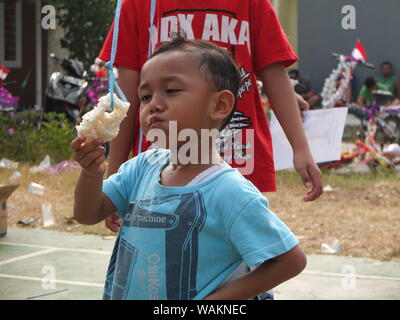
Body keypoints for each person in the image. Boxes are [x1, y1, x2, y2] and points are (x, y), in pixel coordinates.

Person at [71, 36, 307, 300]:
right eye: (145, 96)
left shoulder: (229, 192)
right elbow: (87, 213)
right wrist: (91, 173)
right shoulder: (140, 168)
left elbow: (290, 260)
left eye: (171, 90)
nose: (153, 105)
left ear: (219, 105)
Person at [98, 0, 323, 232]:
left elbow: (274, 74)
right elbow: (125, 100)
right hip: (162, 162)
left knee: (232, 253)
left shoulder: (252, 4)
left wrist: (300, 147)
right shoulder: (137, 5)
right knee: (160, 251)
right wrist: (114, 175)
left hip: (237, 155)